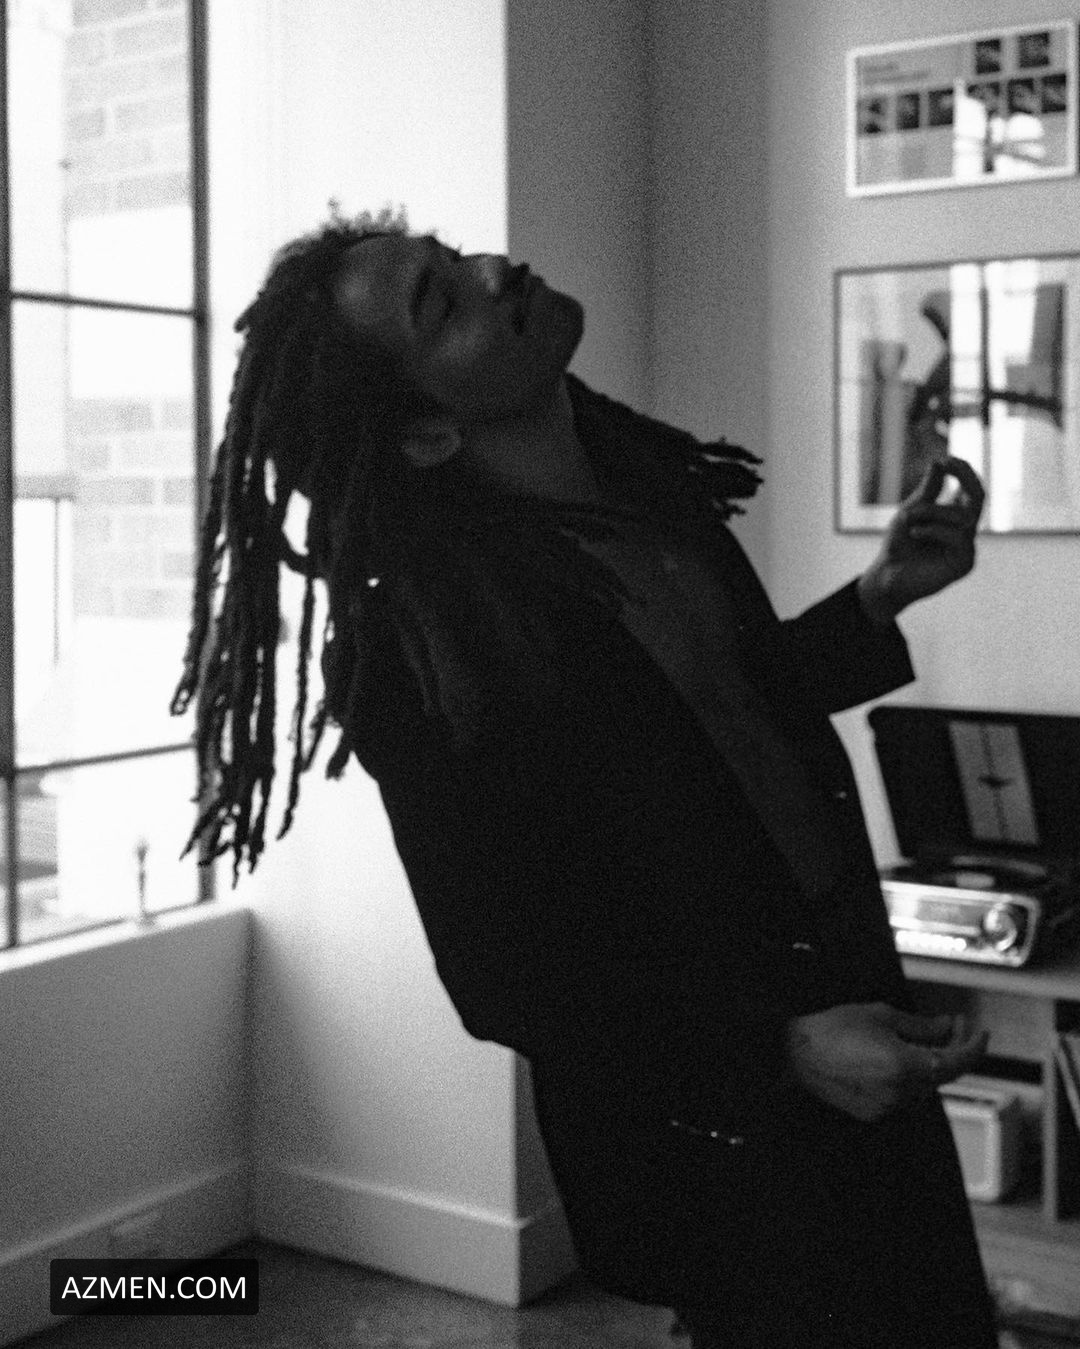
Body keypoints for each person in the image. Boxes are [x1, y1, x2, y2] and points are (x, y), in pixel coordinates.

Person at [173, 209, 998, 1348]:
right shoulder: (423, 644)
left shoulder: (651, 496)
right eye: (440, 303)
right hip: (725, 1098)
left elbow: (723, 710)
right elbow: (503, 971)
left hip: (851, 973)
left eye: (453, 255)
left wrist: (874, 600)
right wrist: (778, 1047)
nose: (491, 268)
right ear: (426, 433)